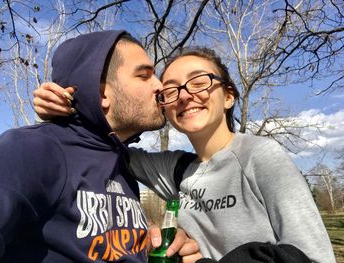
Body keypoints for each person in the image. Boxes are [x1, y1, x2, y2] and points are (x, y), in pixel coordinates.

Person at [33, 47, 336, 263]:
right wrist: (70, 111)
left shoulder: (260, 156)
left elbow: (313, 255)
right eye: (172, 90)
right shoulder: (176, 169)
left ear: (228, 96)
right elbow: (108, 147)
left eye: (200, 81)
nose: (186, 95)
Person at [0, 30, 200, 262]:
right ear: (102, 93)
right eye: (144, 76)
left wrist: (150, 247)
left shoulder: (122, 162)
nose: (160, 86)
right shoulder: (33, 149)